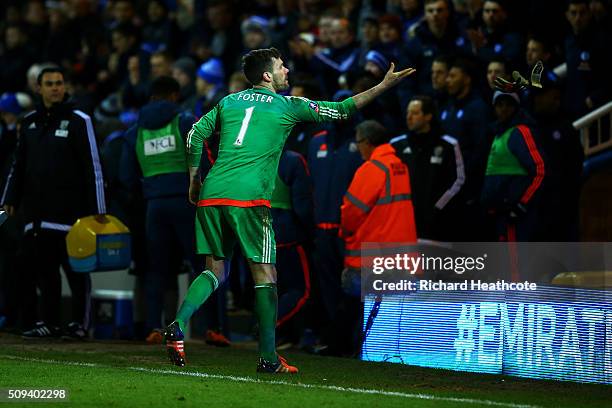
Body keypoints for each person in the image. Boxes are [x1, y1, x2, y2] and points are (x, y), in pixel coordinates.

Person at [163, 47, 415, 373]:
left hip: (213, 194)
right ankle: (268, 357)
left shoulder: (227, 102)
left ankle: (179, 322)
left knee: (215, 270)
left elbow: (195, 134)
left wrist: (195, 180)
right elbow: (340, 111)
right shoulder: (287, 105)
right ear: (267, 75)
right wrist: (382, 86)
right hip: (250, 198)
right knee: (266, 275)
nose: (287, 72)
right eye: (282, 67)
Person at [1, 67, 106, 339]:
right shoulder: (30, 121)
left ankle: (80, 325)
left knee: (76, 271)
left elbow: (93, 167)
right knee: (44, 271)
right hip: (38, 212)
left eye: (59, 83)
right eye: (49, 84)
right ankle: (48, 321)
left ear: (65, 86)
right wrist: (9, 198)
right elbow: (18, 165)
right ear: (39, 88)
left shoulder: (79, 120)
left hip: (72, 213)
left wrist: (99, 210)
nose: (55, 88)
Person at [120, 76, 198, 339]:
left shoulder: (135, 131)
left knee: (157, 268)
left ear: (152, 97)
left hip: (154, 206)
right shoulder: (185, 120)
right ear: (175, 95)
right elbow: (202, 159)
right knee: (201, 265)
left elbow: (126, 176)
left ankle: (154, 326)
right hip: (187, 202)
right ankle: (208, 328)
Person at [337, 120, 417, 356]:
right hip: (398, 256)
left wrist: (345, 232)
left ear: (368, 143)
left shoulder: (372, 168)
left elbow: (351, 211)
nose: (358, 147)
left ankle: (345, 350)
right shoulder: (399, 166)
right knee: (384, 313)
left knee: (353, 307)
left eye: (359, 142)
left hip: (370, 256)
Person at [391, 96, 465, 241]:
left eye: (415, 113)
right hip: (403, 222)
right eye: (408, 113)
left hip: (436, 224)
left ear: (428, 116)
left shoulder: (448, 145)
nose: (409, 117)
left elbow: (458, 180)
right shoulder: (396, 145)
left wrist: (437, 207)